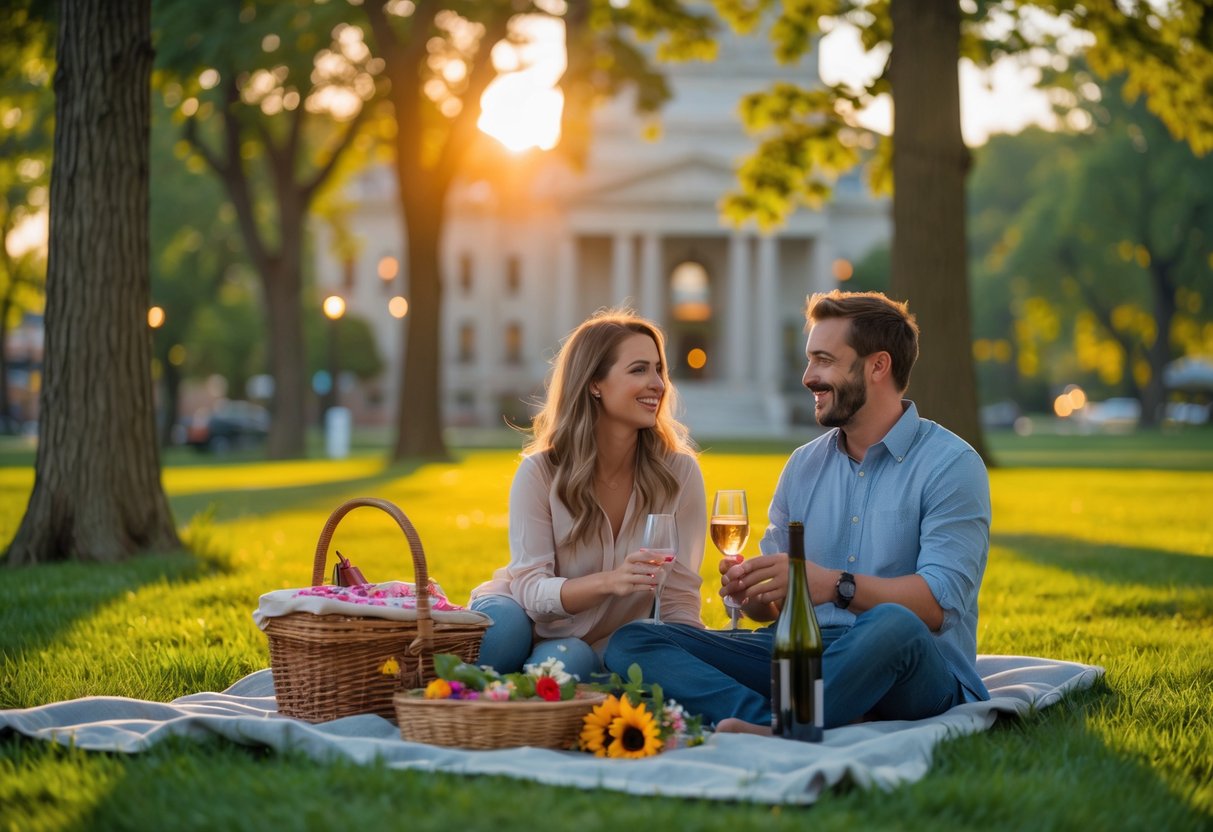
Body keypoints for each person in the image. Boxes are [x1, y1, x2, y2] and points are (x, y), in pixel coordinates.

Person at [604, 290, 991, 730]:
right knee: (635, 641)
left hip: (912, 667)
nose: (808, 377)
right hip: (798, 653)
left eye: (824, 360)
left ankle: (796, 717)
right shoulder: (804, 465)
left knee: (894, 625)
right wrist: (755, 592)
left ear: (877, 366)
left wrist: (832, 586)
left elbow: (938, 606)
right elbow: (771, 610)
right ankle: (770, 722)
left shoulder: (951, 465)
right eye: (809, 360)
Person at [469, 309, 706, 682]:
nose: (658, 383)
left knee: (568, 667)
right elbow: (529, 588)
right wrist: (611, 581)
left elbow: (678, 597)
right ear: (595, 383)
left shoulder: (679, 474)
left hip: (594, 645)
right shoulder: (540, 472)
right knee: (502, 633)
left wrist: (693, 663)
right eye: (639, 369)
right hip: (520, 611)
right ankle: (459, 702)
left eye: (659, 369)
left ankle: (518, 693)